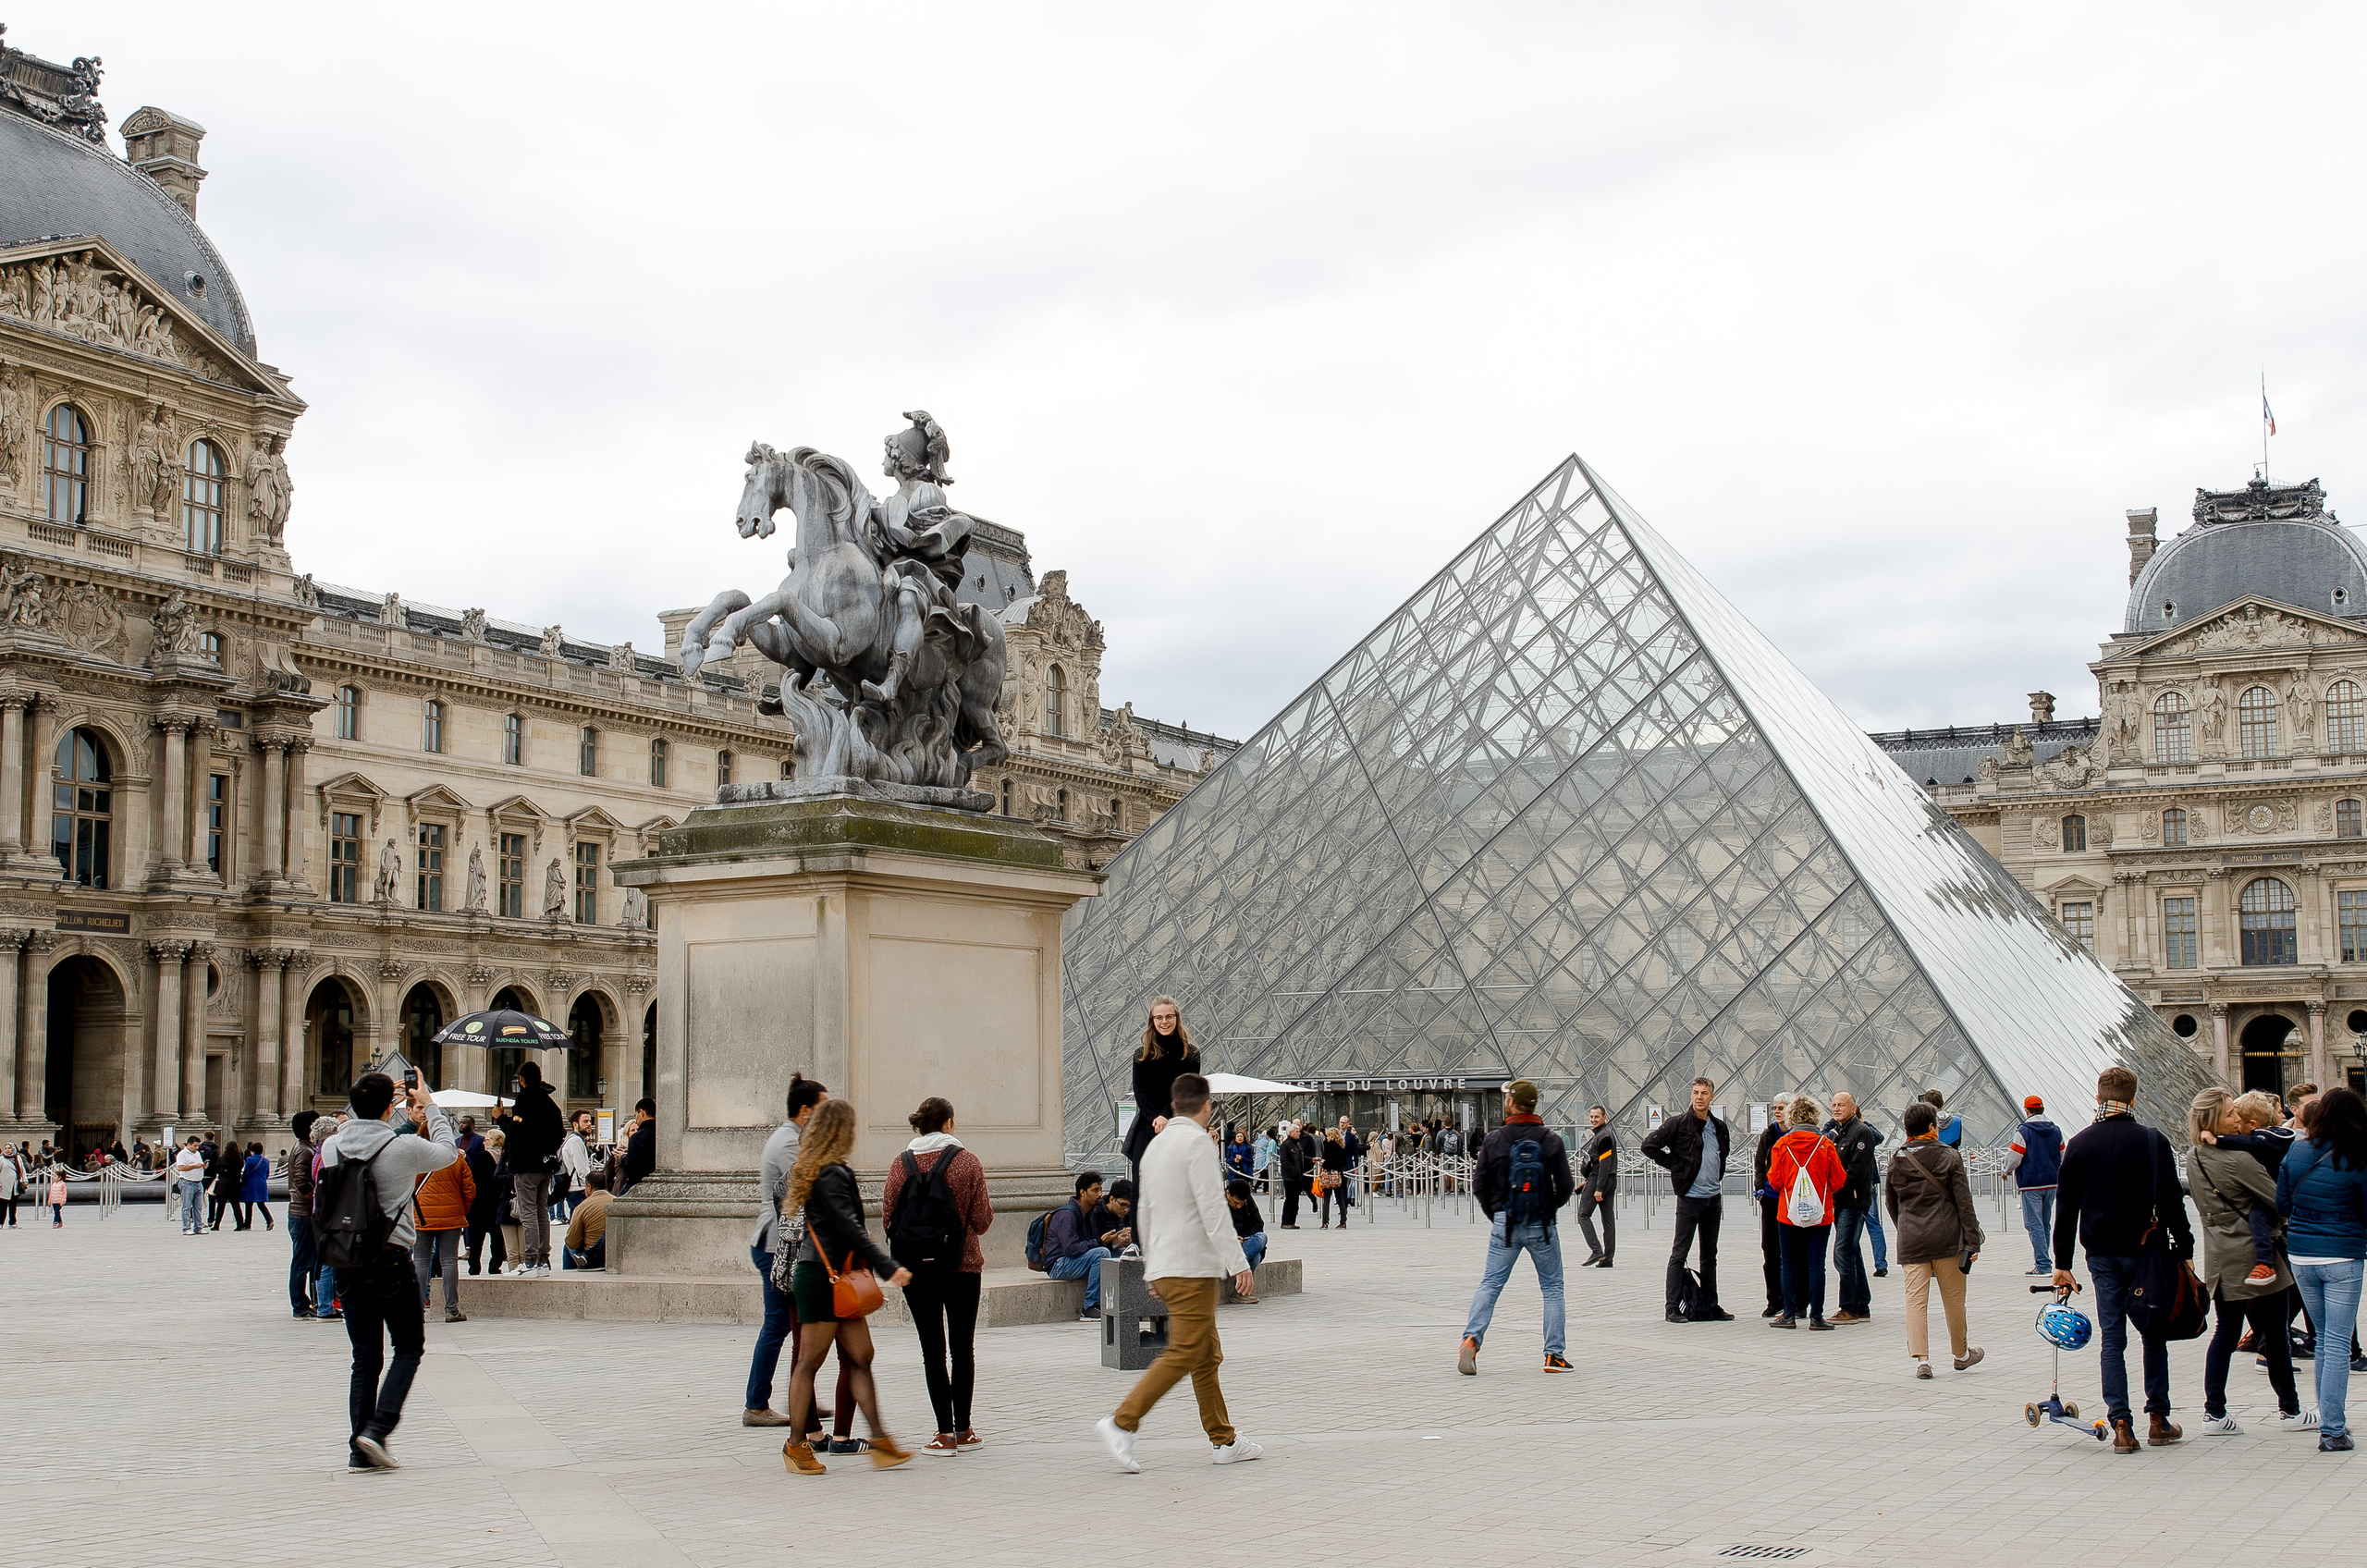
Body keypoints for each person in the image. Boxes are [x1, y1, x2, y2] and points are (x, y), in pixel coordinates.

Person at [1096, 1072, 1260, 1471]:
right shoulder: (1197, 1144)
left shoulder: (1156, 1146)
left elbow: (1144, 1211)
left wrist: (1152, 1266)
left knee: (1206, 1354)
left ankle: (1224, 1439)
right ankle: (1122, 1421)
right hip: (1192, 1268)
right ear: (1207, 1106)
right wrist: (1238, 1262)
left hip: (1167, 1265)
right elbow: (1213, 1210)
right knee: (1186, 1351)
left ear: (1172, 1105)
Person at [322, 1072, 461, 1469]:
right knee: (409, 1346)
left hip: (347, 1258)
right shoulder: (404, 1148)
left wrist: (380, 1101)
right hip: (391, 1257)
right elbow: (448, 1151)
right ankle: (378, 1429)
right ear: (390, 1107)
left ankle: (359, 1450)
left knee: (365, 1356)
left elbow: (363, 1137)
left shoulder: (332, 1145)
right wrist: (430, 1106)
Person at [2053, 1064, 2193, 1454]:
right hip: (2147, 1254)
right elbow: (2172, 1201)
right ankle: (2158, 1419)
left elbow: (2066, 1209)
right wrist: (2185, 1250)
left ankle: (2120, 1424)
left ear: (2098, 1098)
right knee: (2154, 1333)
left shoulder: (2079, 1143)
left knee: (2112, 1338)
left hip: (2100, 1253)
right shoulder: (2151, 1140)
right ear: (2134, 1099)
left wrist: (2062, 1263)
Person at [779, 1098, 914, 1475]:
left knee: (861, 1356)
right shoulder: (832, 1173)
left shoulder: (817, 1170)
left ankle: (880, 1440)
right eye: (851, 1126)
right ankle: (796, 1445)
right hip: (825, 1278)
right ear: (841, 1131)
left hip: (832, 1277)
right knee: (809, 1362)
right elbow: (850, 1228)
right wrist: (888, 1267)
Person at [2188, 1087, 2309, 1435]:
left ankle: (2214, 1413)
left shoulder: (2194, 1157)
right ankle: (2290, 1411)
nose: (2237, 1118)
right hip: (2257, 1255)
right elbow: (2278, 1200)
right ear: (2213, 1121)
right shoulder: (2239, 1159)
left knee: (2225, 1333)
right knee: (2275, 1334)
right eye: (2230, 1114)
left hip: (2220, 1254)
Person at [882, 1096, 994, 1456]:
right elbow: (982, 1221)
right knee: (963, 1349)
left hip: (916, 1270)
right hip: (962, 1266)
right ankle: (964, 1430)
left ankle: (943, 1434)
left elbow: (887, 1219)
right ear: (949, 1123)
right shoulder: (967, 1162)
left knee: (932, 1351)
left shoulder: (900, 1164)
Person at [1457, 1079, 1576, 1375]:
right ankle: (1554, 1355)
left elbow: (1480, 1185)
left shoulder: (1494, 1139)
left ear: (1511, 1103)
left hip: (1505, 1223)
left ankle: (1471, 1339)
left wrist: (1497, 1214)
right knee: (1552, 1287)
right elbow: (1566, 1186)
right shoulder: (1551, 1140)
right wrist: (1547, 1210)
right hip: (1541, 1225)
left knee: (1491, 1283)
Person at [2275, 1084, 2367, 1453]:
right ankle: (2332, 1430)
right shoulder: (2358, 1154)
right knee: (2338, 1343)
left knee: (2325, 1339)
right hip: (2342, 1256)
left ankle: (2329, 1420)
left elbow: (2282, 1203)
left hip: (2301, 1256)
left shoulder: (2297, 1148)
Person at [746, 1072, 832, 1428]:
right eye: (823, 1108)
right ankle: (757, 1404)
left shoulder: (790, 1138)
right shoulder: (789, 1144)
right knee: (781, 1324)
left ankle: (801, 1399)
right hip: (776, 1246)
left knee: (791, 1324)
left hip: (776, 1243)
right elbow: (809, 1188)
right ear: (806, 1111)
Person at [1887, 1100, 1983, 1378]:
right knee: (1954, 1300)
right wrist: (1972, 1241)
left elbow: (1891, 1203)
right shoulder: (1949, 1156)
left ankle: (1923, 1361)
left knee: (1915, 1301)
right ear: (1932, 1127)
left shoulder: (1898, 1158)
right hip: (1947, 1239)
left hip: (1911, 1240)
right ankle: (1961, 1354)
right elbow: (1964, 1203)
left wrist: (1905, 1227)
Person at [1641, 1077, 1735, 1323]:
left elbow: (1722, 1154)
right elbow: (1648, 1145)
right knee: (1679, 1253)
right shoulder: (1678, 1123)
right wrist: (1676, 1167)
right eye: (1695, 1093)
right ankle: (1672, 1307)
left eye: (1704, 1093)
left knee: (1709, 1255)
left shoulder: (1719, 1127)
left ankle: (1710, 1305)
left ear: (1712, 1096)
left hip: (1713, 1198)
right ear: (1691, 1096)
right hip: (1690, 1199)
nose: (1699, 1097)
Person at [1122, 997, 1201, 1236]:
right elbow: (1140, 1092)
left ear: (1177, 1018)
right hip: (1147, 1123)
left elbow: (1185, 1090)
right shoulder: (1141, 1054)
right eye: (1158, 1017)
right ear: (1152, 1020)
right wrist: (1155, 1117)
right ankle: (1137, 1240)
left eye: (1168, 1017)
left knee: (1176, 1183)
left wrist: (1166, 1115)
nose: (1164, 1022)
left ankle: (1174, 1236)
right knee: (1139, 1184)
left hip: (1177, 1122)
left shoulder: (1190, 1054)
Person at [1765, 1096, 1845, 1331]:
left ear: (1791, 1117)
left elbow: (1774, 1181)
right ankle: (1816, 1316)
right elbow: (1838, 1180)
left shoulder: (1782, 1145)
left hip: (1788, 1213)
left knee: (1788, 1263)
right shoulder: (1825, 1145)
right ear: (1814, 1116)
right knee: (1816, 1264)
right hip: (1820, 1213)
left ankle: (1789, 1315)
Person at [495, 1062, 564, 1275]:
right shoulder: (549, 1101)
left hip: (526, 1165)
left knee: (528, 1212)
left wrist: (501, 1118)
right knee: (542, 1211)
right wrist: (547, 1150)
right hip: (545, 1165)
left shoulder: (524, 1100)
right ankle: (543, 1260)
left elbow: (517, 1131)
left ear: (522, 1079)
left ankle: (531, 1260)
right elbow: (560, 1132)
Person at [1822, 1092, 1879, 1325]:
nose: (1836, 1109)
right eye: (1834, 1105)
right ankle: (1862, 1305)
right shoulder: (1838, 1132)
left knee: (1843, 1252)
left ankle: (1849, 1308)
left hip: (1853, 1201)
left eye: (1841, 1105)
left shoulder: (1861, 1132)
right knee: (1852, 1252)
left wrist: (1835, 1196)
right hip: (1843, 1200)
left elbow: (1856, 1172)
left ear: (1853, 1108)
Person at [411, 1136, 475, 1322]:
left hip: (423, 1215)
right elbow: (469, 1189)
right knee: (449, 1261)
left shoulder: (419, 1158)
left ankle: (417, 1310)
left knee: (420, 1261)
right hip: (451, 1215)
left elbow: (410, 1187)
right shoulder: (456, 1159)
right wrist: (461, 1209)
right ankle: (451, 1309)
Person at [1043, 1172, 1119, 1319]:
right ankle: (1089, 1307)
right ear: (1083, 1193)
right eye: (1095, 1190)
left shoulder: (1089, 1213)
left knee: (1120, 1254)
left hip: (1076, 1261)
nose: (1100, 1194)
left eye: (1100, 1190)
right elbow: (1070, 1249)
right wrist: (1100, 1242)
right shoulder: (1067, 1215)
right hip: (1058, 1265)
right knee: (1102, 1254)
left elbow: (1093, 1244)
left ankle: (1120, 1304)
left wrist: (1114, 1242)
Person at [2007, 1095, 2065, 1276]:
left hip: (2031, 1184)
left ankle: (2043, 1265)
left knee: (2034, 1224)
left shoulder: (2023, 1131)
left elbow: (2014, 1156)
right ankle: (2044, 1261)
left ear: (2027, 1110)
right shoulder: (2056, 1130)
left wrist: (2006, 1170)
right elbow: (2063, 1154)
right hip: (2052, 1182)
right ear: (2042, 1109)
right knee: (2045, 1223)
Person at [1572, 1104, 1617, 1268]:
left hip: (1600, 1180)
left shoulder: (1604, 1136)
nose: (1593, 1119)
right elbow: (1600, 1163)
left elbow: (1604, 1164)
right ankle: (1608, 1259)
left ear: (1604, 1117)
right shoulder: (1604, 1134)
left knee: (1583, 1215)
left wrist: (1598, 1188)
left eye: (1597, 1117)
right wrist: (1588, 1182)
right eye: (1591, 1117)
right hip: (1609, 1180)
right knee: (1608, 1221)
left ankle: (1597, 1251)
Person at [1752, 1099, 1786, 1317]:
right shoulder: (1768, 1134)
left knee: (1793, 1251)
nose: (1776, 1111)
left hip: (1792, 1200)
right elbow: (1759, 1164)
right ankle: (1774, 1300)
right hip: (1771, 1198)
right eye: (1774, 1108)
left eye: (1781, 1108)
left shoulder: (1797, 1134)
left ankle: (1795, 1300)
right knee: (1770, 1251)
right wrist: (1760, 1190)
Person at [285, 1111, 320, 1318]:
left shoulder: (303, 1147)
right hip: (302, 1213)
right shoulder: (305, 1151)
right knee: (302, 1261)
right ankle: (299, 1305)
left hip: (299, 1212)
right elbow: (301, 1182)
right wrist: (316, 1199)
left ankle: (306, 1302)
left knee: (305, 1259)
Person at [463, 1128, 504, 1277]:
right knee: (497, 1238)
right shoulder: (504, 1157)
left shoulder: (483, 1157)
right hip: (498, 1203)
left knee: (476, 1240)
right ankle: (495, 1266)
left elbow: (474, 1179)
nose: (483, 1142)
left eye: (486, 1139)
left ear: (493, 1141)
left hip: (480, 1204)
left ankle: (474, 1267)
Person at [564, 1165, 613, 1270]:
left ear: (589, 1187)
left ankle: (569, 1272)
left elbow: (572, 1242)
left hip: (592, 1253)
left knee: (567, 1246)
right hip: (613, 1250)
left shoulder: (582, 1207)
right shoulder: (616, 1201)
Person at [1226, 1177, 1267, 1291]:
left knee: (1262, 1236)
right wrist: (1233, 1239)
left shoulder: (1248, 1201)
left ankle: (1241, 1260)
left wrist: (1244, 1239)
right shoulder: (1218, 1203)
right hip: (1228, 1244)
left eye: (1241, 1204)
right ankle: (1240, 1292)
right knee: (1255, 1257)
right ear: (1228, 1194)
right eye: (1235, 1203)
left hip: (1246, 1242)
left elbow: (1258, 1225)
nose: (1239, 1206)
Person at [558, 1110, 595, 1219]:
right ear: (575, 1124)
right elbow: (582, 1169)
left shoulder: (572, 1140)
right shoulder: (576, 1142)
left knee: (576, 1223)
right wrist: (589, 1187)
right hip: (578, 1190)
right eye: (585, 1121)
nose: (589, 1124)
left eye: (590, 1121)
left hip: (574, 1188)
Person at [1278, 1119, 1312, 1230]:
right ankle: (1286, 1221)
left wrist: (1311, 1160)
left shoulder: (1297, 1145)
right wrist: (1293, 1170)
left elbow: (1301, 1157)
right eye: (1297, 1132)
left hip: (1298, 1176)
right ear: (1291, 1133)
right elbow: (1284, 1160)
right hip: (1290, 1177)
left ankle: (1292, 1221)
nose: (1299, 1133)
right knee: (1290, 1199)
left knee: (1295, 1200)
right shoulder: (1286, 1145)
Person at [620, 1097, 656, 1194]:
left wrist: (622, 1158)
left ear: (641, 1113)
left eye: (635, 1115)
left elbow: (632, 1169)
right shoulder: (662, 1134)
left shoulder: (638, 1137)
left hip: (640, 1184)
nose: (636, 1121)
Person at [1318, 1127, 1352, 1229]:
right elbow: (1342, 1161)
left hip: (1328, 1175)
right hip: (1338, 1174)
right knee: (1339, 1198)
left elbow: (1328, 1161)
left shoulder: (1328, 1146)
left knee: (1326, 1199)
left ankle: (1325, 1222)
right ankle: (1343, 1221)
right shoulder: (1341, 1146)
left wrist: (1324, 1166)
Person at [173, 1135, 206, 1235]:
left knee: (198, 1207)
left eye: (197, 1146)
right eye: (195, 1146)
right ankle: (186, 1228)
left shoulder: (197, 1153)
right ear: (188, 1144)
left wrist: (203, 1166)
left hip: (198, 1182)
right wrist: (195, 1166)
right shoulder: (182, 1154)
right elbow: (181, 1167)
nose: (196, 1148)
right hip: (187, 1182)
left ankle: (198, 1227)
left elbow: (199, 1164)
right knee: (186, 1206)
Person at [241, 1142, 275, 1232]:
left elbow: (246, 1172)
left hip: (251, 1183)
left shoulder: (250, 1159)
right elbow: (267, 1174)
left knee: (249, 1204)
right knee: (261, 1204)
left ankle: (248, 1224)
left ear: (252, 1151)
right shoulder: (266, 1160)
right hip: (262, 1183)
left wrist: (243, 1182)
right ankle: (269, 1220)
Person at [0, 1141, 22, 1228]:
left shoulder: (17, 1158)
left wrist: (24, 1180)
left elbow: (22, 1169)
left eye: (9, 1148)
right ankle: (0, 1222)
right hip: (4, 1185)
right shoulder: (2, 1159)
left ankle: (12, 1222)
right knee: (2, 1205)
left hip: (14, 1185)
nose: (7, 1150)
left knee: (13, 1205)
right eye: (6, 1148)